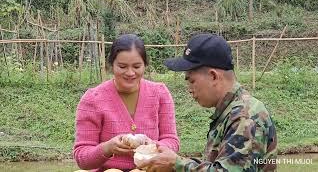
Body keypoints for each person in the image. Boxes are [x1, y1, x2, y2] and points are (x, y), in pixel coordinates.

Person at [139, 33, 277, 171]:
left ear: (213, 76)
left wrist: (176, 164)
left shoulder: (245, 117)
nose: (190, 90)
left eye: (192, 81)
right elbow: (218, 163)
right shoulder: (230, 112)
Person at [73, 34, 180, 171]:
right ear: (111, 66)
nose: (130, 73)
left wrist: (152, 146)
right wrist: (107, 148)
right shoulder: (92, 99)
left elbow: (171, 141)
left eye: (136, 66)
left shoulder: (160, 94)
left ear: (145, 65)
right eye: (122, 66)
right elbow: (82, 157)